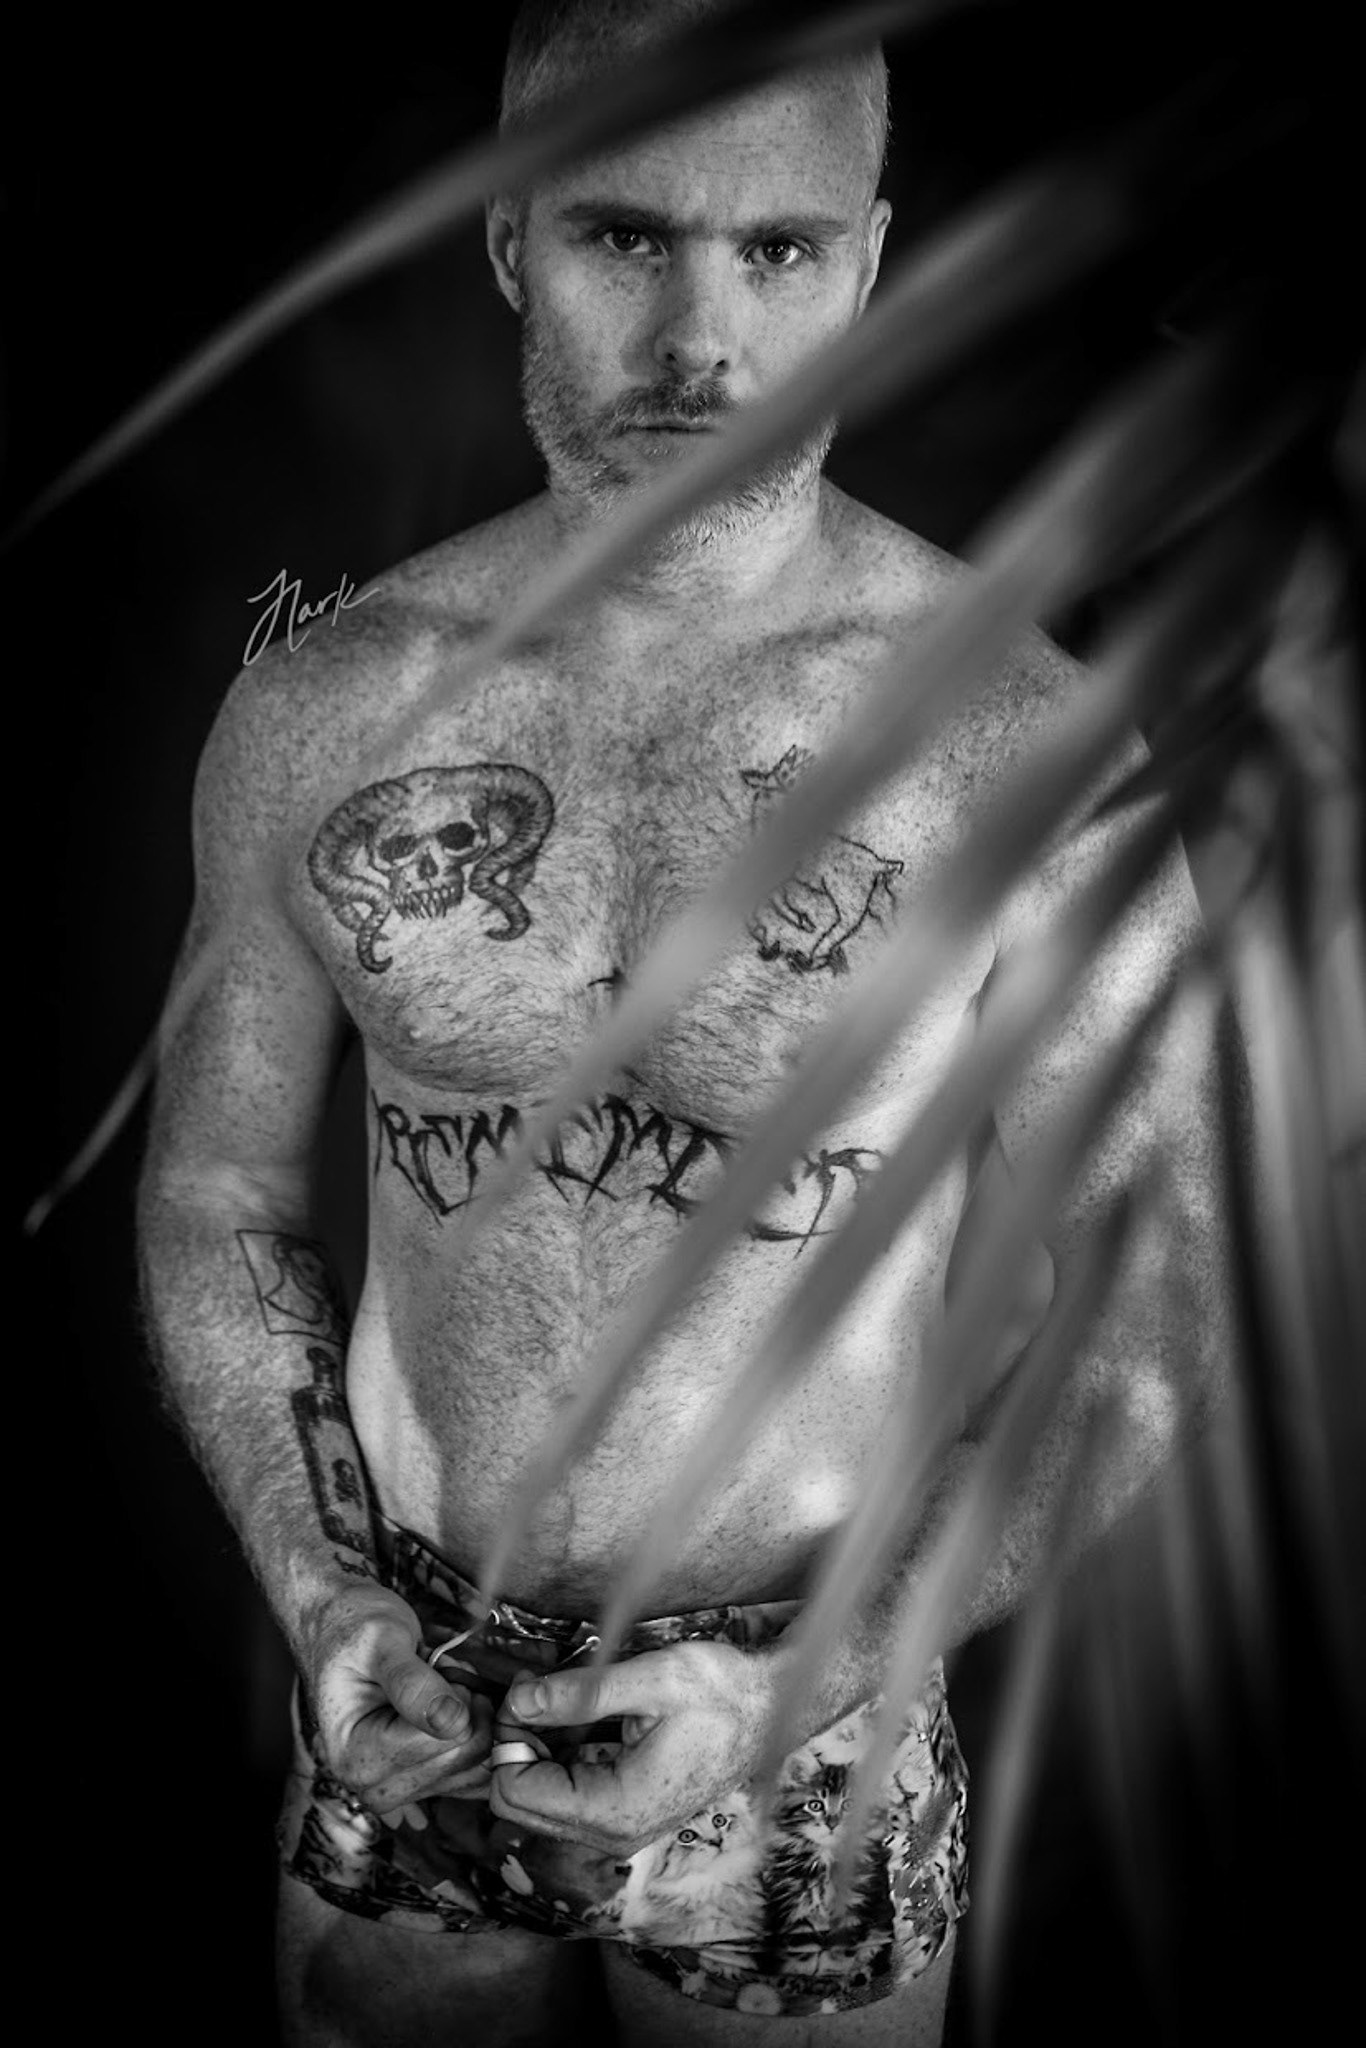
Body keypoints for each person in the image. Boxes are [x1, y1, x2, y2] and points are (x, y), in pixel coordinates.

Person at [137, 2, 1228, 2041]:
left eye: (779, 249)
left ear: (869, 261)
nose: (699, 341)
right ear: (509, 239)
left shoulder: (1020, 745)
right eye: (623, 237)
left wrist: (809, 1676)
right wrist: (315, 1584)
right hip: (398, 1680)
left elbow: (1152, 1286)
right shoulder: (326, 712)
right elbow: (218, 1191)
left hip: (808, 1690)